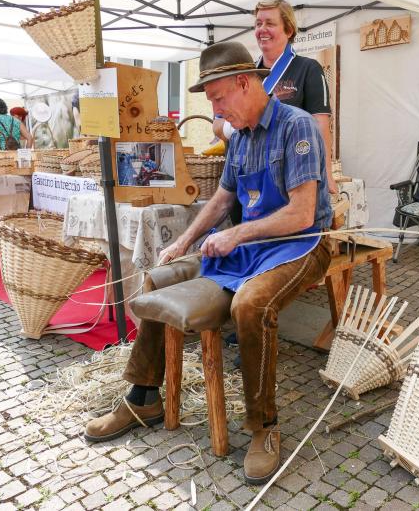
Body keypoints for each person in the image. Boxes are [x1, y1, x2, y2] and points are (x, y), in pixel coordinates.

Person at [84, 42, 333, 485]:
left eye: (217, 98)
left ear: (244, 83)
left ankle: (264, 427)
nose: (215, 110)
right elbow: (223, 198)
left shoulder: (298, 128)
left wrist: (234, 234)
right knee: (156, 280)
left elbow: (300, 213)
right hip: (255, 246)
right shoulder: (238, 138)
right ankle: (143, 395)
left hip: (302, 245)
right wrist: (184, 240)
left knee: (250, 305)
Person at [214, 0, 337, 195]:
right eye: (258, 23)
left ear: (288, 30)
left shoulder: (308, 69)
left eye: (270, 23)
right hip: (244, 180)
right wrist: (238, 121)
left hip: (288, 179)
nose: (262, 29)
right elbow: (217, 125)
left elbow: (320, 125)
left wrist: (327, 174)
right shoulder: (243, 76)